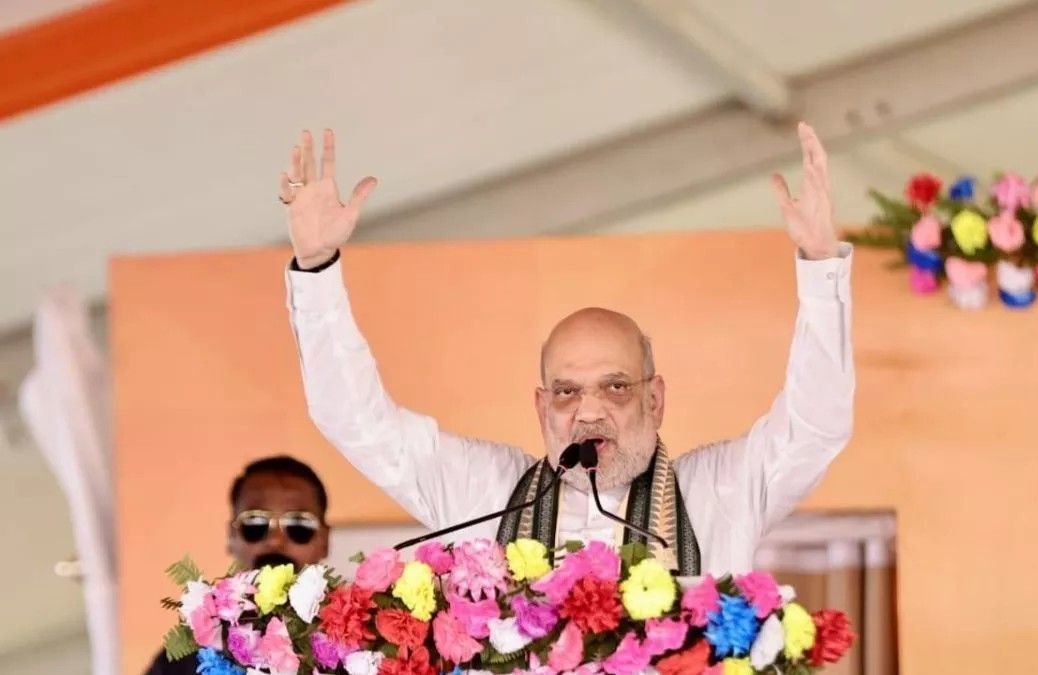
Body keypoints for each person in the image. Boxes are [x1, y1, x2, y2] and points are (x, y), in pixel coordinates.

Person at [279, 122, 853, 575]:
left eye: (616, 386)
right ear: (540, 405)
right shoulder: (483, 491)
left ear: (655, 399)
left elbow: (815, 428)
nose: (589, 411)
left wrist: (822, 266)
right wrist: (316, 267)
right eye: (566, 392)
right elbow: (356, 422)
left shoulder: (719, 492)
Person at [144, 455, 331, 675]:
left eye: (299, 524)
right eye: (255, 523)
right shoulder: (181, 663)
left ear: (324, 540)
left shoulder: (356, 648)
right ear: (231, 536)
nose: (275, 540)